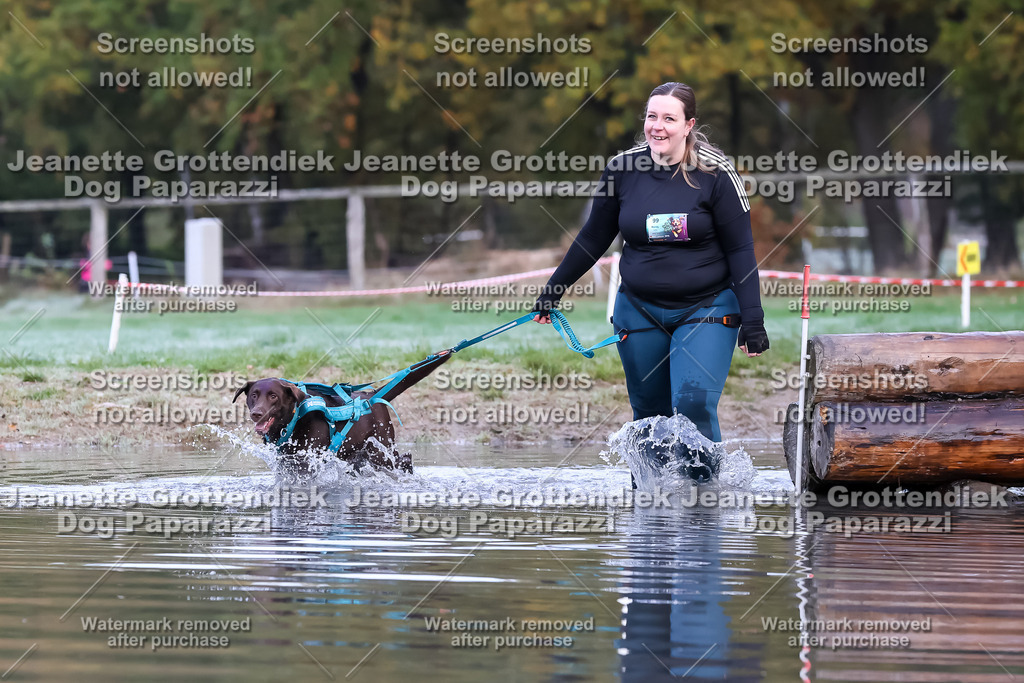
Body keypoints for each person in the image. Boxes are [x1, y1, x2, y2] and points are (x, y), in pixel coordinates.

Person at [533, 81, 768, 482]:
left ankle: (702, 501)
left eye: (669, 119)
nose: (657, 127)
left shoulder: (715, 174)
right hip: (638, 309)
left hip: (707, 308)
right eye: (651, 116)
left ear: (689, 125)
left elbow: (742, 252)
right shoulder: (623, 170)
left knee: (692, 404)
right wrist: (553, 291)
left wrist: (753, 319)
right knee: (649, 416)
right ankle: (652, 510)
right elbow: (593, 238)